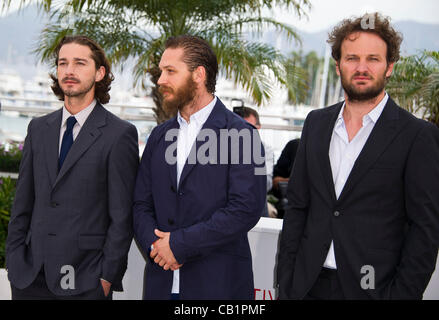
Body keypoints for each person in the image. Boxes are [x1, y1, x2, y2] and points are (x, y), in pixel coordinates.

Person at [277, 13, 439, 300]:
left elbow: (424, 229)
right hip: (306, 286)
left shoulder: (417, 135)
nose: (361, 67)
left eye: (373, 59)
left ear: (389, 66)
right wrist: (287, 282)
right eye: (352, 58)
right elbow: (298, 208)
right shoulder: (316, 123)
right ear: (338, 65)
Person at [5, 35, 139, 300]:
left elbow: (122, 217)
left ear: (100, 73)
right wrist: (15, 262)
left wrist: (106, 278)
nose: (69, 71)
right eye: (63, 63)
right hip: (30, 277)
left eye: (79, 63)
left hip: (85, 280)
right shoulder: (38, 128)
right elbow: (22, 203)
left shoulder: (119, 134)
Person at [133, 35, 266, 300]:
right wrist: (158, 248)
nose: (160, 80)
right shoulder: (158, 136)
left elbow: (245, 209)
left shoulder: (244, 135)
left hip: (218, 286)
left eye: (170, 71)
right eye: (161, 71)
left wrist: (179, 246)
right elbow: (140, 204)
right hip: (161, 284)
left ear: (199, 74)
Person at [239, 106, 275, 217]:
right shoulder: (222, 146)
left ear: (258, 128)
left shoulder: (265, 149)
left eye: (249, 127)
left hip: (252, 200)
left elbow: (266, 183)